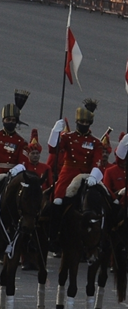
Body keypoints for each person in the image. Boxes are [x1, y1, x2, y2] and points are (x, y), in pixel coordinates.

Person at [47, 100, 105, 251]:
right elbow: (53, 149)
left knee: (108, 201)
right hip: (69, 173)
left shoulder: (95, 142)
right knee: (58, 201)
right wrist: (55, 132)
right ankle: (53, 236)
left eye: (87, 122)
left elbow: (98, 160)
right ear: (77, 122)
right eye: (81, 122)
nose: (84, 124)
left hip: (88, 175)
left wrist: (93, 176)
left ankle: (101, 237)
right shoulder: (68, 137)